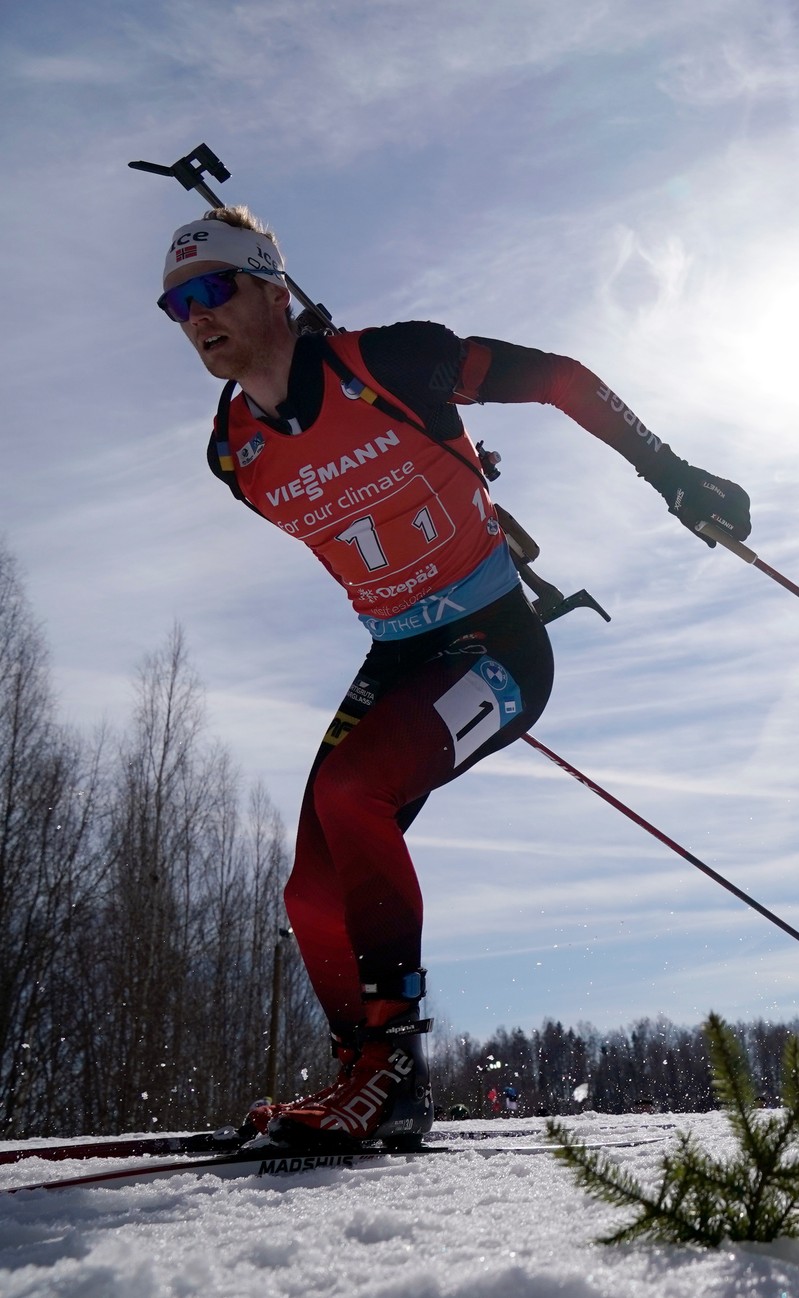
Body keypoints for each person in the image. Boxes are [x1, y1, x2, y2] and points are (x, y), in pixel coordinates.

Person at [158, 208, 750, 1148]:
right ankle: (369, 1074)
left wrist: (671, 473)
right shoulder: (234, 456)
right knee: (310, 894)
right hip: (398, 652)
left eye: (212, 289)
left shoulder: (391, 362)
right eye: (176, 303)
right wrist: (457, 466)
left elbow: (557, 379)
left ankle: (392, 1075)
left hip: (498, 644)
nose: (194, 316)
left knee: (357, 791)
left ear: (273, 285)